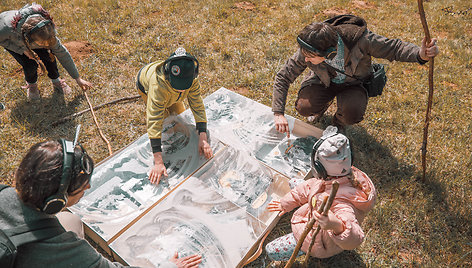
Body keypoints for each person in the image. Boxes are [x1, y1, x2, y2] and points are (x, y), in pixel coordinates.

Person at [0, 140, 202, 268]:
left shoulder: (4, 193)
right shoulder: (68, 250)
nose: (87, 188)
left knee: (70, 219)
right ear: (55, 202)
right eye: (82, 187)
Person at [272, 14, 439, 134]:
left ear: (330, 54)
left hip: (354, 84)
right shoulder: (310, 48)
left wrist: (420, 54)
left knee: (352, 113)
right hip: (323, 82)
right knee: (304, 107)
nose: (305, 60)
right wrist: (278, 113)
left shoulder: (362, 40)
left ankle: (338, 124)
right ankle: (321, 107)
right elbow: (283, 76)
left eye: (310, 57)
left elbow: (394, 48)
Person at [265, 126, 377, 260]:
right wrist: (285, 203)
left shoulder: (341, 205)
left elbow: (355, 239)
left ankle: (304, 249)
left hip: (320, 241)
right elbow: (308, 187)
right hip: (318, 204)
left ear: (318, 168)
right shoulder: (345, 175)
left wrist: (336, 225)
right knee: (296, 182)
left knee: (271, 250)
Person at [136, 47, 213, 185]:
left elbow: (197, 104)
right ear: (167, 75)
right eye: (177, 86)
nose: (182, 89)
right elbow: (154, 119)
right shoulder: (158, 86)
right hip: (146, 84)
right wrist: (158, 161)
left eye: (185, 86)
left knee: (179, 119)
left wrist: (203, 135)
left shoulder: (192, 80)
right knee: (166, 124)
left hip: (172, 95)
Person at [0, 3, 92, 101]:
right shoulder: (5, 29)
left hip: (31, 37)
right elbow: (2, 40)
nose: (46, 45)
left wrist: (77, 79)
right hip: (13, 39)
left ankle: (56, 80)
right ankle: (32, 85)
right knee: (30, 64)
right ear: (29, 38)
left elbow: (63, 54)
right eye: (42, 43)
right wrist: (22, 50)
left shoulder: (47, 30)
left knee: (49, 55)